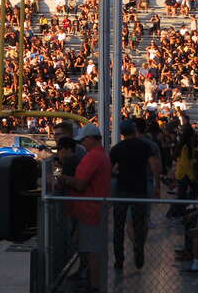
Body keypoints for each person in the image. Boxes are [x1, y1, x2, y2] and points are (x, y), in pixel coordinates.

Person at [57, 124, 111, 293]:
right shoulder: (99, 155)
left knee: (91, 250)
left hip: (90, 210)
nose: (82, 144)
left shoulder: (94, 157)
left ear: (92, 139)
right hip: (91, 209)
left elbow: (80, 184)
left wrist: (64, 179)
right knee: (89, 248)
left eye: (84, 140)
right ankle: (90, 281)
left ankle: (93, 285)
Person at [109, 120, 157, 270]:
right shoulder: (145, 146)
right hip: (139, 190)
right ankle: (138, 250)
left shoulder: (117, 148)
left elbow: (109, 169)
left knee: (118, 227)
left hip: (122, 190)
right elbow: (154, 166)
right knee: (139, 224)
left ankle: (119, 260)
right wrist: (157, 186)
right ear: (134, 130)